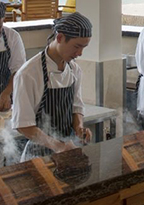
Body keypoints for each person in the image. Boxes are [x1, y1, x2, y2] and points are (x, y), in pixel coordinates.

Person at [12, 13, 92, 161]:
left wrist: (79, 128)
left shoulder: (74, 69)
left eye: (84, 47)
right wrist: (57, 146)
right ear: (60, 37)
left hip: (68, 150)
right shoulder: (28, 74)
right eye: (76, 46)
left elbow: (76, 107)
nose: (80, 53)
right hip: (38, 156)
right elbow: (23, 125)